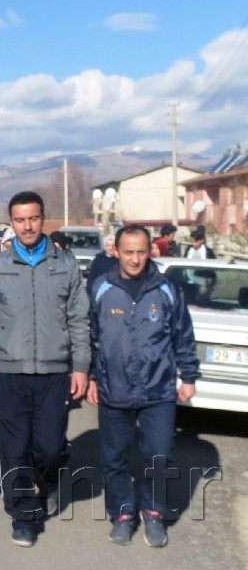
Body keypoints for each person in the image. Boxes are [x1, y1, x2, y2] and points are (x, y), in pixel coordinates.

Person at [0, 191, 90, 548]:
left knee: (50, 448)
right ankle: (23, 516)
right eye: (20, 220)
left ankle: (49, 478)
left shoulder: (65, 265)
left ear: (43, 219)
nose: (27, 226)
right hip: (9, 372)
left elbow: (79, 319)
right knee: (15, 448)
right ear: (11, 222)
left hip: (54, 372)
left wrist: (81, 367)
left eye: (33, 218)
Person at [88, 225, 199, 548]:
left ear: (150, 251)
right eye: (128, 252)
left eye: (141, 252)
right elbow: (90, 337)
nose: (135, 259)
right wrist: (92, 376)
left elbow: (182, 333)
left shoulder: (166, 288)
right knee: (114, 458)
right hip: (114, 388)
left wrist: (189, 376)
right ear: (116, 251)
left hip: (158, 390)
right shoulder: (101, 287)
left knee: (159, 456)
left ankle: (154, 513)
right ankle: (122, 515)